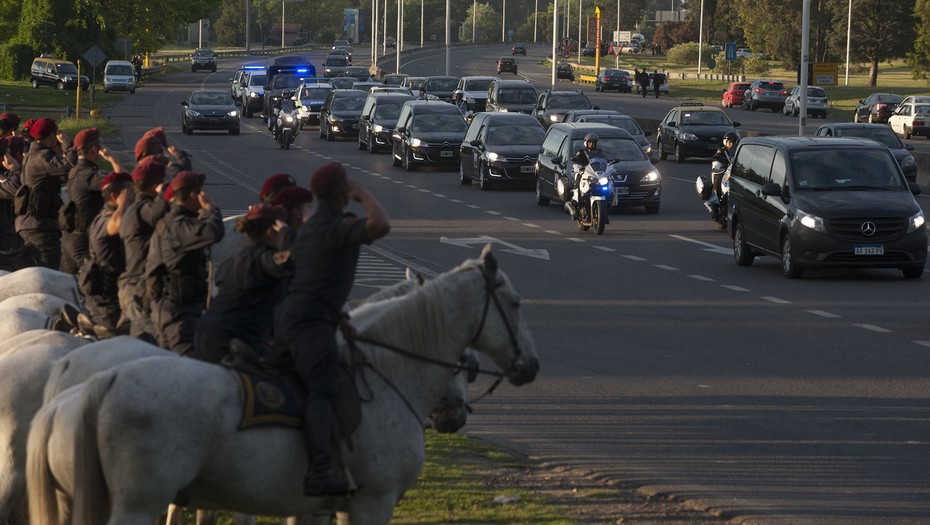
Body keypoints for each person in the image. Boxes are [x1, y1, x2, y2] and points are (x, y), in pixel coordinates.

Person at [274, 162, 390, 496]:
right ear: (343, 193)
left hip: (291, 316)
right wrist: (363, 193)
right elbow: (381, 224)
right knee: (322, 389)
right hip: (311, 324)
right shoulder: (338, 228)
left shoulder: (309, 229)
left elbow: (315, 278)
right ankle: (319, 471)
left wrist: (339, 318)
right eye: (349, 188)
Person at [193, 204, 294, 364]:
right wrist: (288, 234)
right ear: (271, 231)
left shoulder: (237, 258)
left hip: (207, 333)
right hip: (232, 340)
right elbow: (291, 258)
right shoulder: (263, 260)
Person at [144, 171, 224, 355]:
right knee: (185, 359)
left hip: (172, 305)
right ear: (193, 195)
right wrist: (211, 208)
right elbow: (213, 233)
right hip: (177, 309)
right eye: (201, 192)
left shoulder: (173, 221)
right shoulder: (178, 225)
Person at [60, 128, 124, 274]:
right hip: (84, 240)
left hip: (70, 237)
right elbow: (123, 183)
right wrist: (112, 159)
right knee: (95, 286)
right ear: (95, 149)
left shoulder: (75, 171)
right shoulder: (90, 176)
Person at [118, 157, 169, 341]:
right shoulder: (142, 210)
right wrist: (165, 194)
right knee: (151, 344)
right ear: (155, 185)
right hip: (138, 289)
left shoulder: (138, 207)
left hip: (135, 287)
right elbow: (161, 211)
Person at [79, 171, 134, 337]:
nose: (133, 196)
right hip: (104, 300)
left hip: (113, 294)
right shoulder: (105, 221)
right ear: (115, 196)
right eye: (129, 192)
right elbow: (117, 224)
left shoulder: (107, 215)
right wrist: (124, 202)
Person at [15, 118, 73, 269]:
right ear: (51, 136)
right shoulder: (42, 156)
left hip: (32, 223)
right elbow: (70, 167)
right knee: (48, 272)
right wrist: (68, 145)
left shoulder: (31, 155)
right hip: (39, 226)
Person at [567, 133, 606, 219]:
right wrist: (579, 168)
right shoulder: (581, 152)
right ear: (586, 143)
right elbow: (576, 162)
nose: (592, 144)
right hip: (584, 173)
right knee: (578, 177)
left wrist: (609, 166)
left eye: (593, 142)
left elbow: (605, 161)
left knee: (608, 181)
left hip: (595, 174)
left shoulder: (599, 152)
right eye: (590, 142)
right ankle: (575, 198)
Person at [710, 131, 739, 200]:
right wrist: (717, 167)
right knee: (719, 178)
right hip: (723, 172)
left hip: (734, 171)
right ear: (725, 142)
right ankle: (714, 198)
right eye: (729, 142)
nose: (731, 144)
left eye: (733, 142)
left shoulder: (738, 152)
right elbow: (716, 159)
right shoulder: (721, 151)